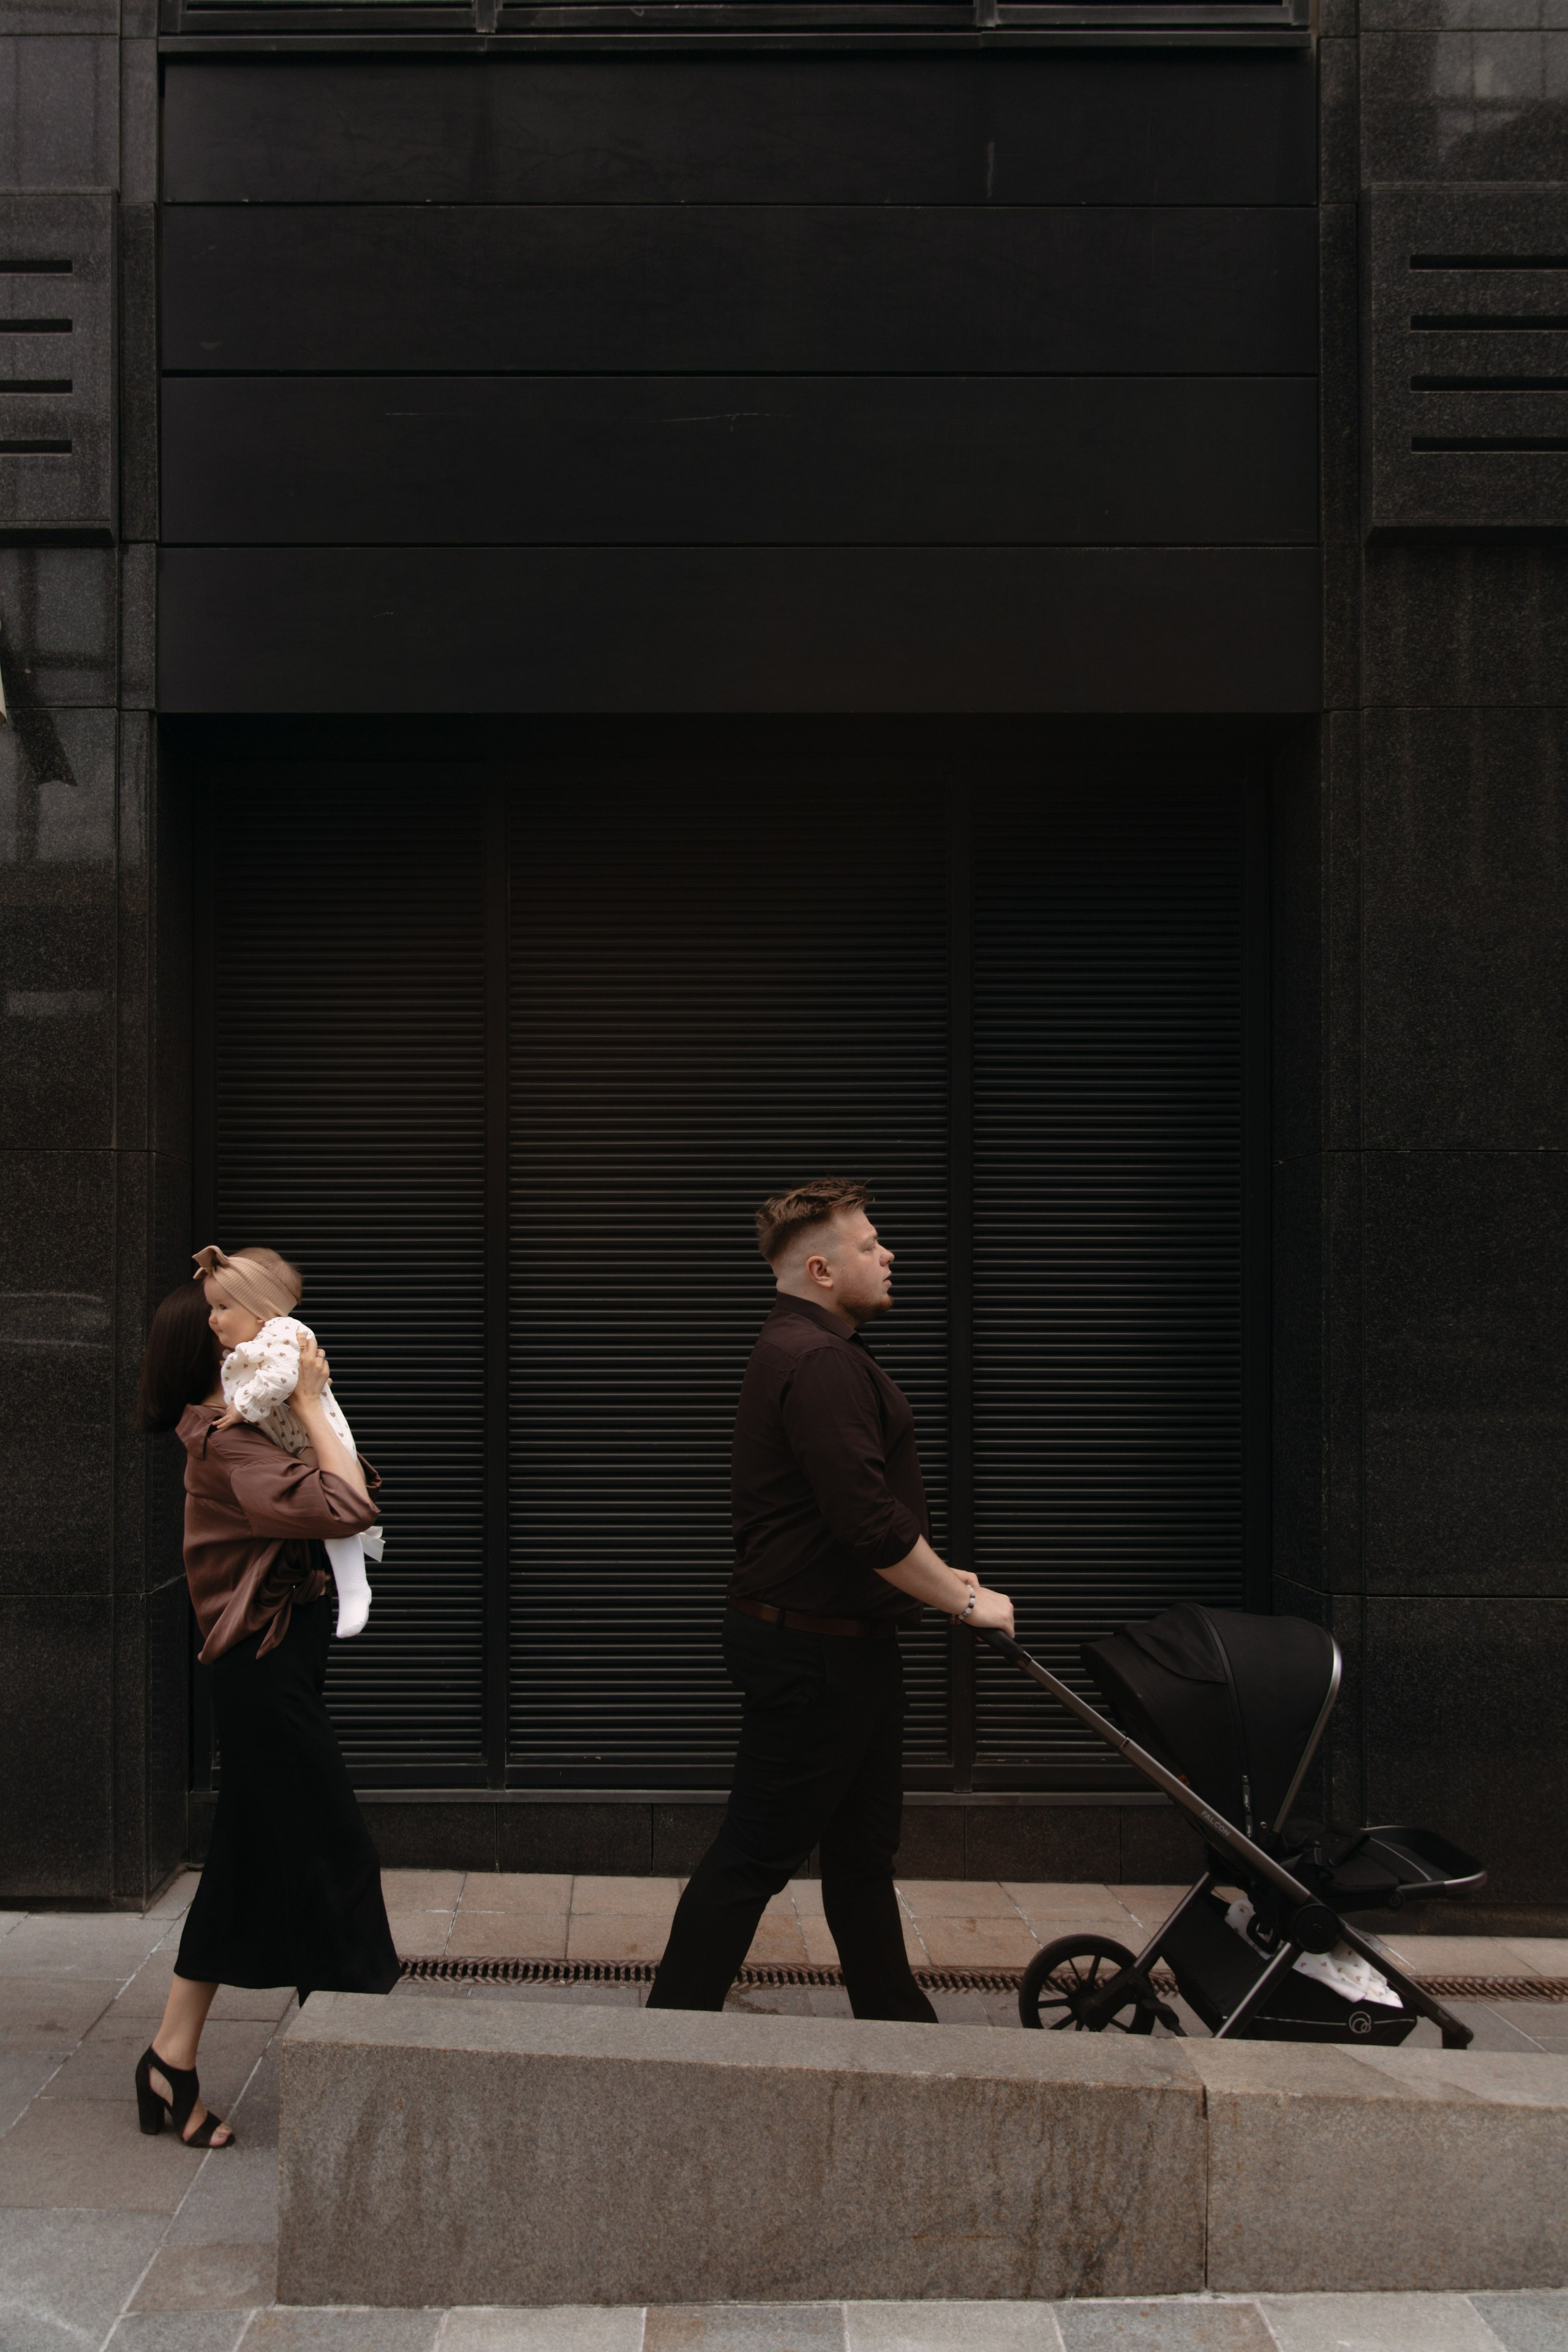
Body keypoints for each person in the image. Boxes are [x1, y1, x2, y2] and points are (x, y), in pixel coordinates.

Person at [648, 1179, 1014, 2020]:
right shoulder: (817, 1362)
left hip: (844, 1644)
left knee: (860, 1853)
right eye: (870, 1244)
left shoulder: (814, 1350)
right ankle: (669, 2034)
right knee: (755, 1854)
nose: (889, 1255)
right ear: (820, 1268)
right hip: (815, 1656)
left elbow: (851, 1515)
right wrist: (967, 1605)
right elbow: (866, 1520)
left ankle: (895, 2024)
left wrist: (939, 1573)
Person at [131, 1275, 399, 2149]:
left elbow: (347, 1483)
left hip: (275, 1668)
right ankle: (365, 2080)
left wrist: (311, 1416)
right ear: (223, 1359)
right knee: (338, 1861)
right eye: (255, 1336)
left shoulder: (244, 1433)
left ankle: (170, 2062)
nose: (276, 1342)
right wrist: (317, 1401)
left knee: (249, 1861)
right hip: (264, 1675)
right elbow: (350, 1502)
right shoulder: (226, 1448)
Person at [194, 1242, 377, 1640]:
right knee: (323, 1513)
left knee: (336, 1512)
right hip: (292, 1440)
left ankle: (354, 1587)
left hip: (316, 1435)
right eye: (212, 1308)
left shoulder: (285, 1333)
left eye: (223, 1308)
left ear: (260, 1309)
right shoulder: (251, 1344)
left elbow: (281, 1380)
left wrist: (241, 1408)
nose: (213, 1319)